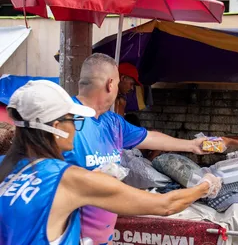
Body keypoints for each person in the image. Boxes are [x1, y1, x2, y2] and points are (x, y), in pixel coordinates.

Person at [0, 80, 220, 245]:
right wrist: (205, 186)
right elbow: (166, 205)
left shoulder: (4, 167)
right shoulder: (67, 178)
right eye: (74, 120)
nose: (76, 128)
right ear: (56, 128)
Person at [63, 53, 208, 245]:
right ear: (111, 84)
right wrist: (205, 187)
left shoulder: (112, 122)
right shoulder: (63, 120)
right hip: (67, 237)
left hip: (101, 237)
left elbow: (150, 137)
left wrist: (191, 145)